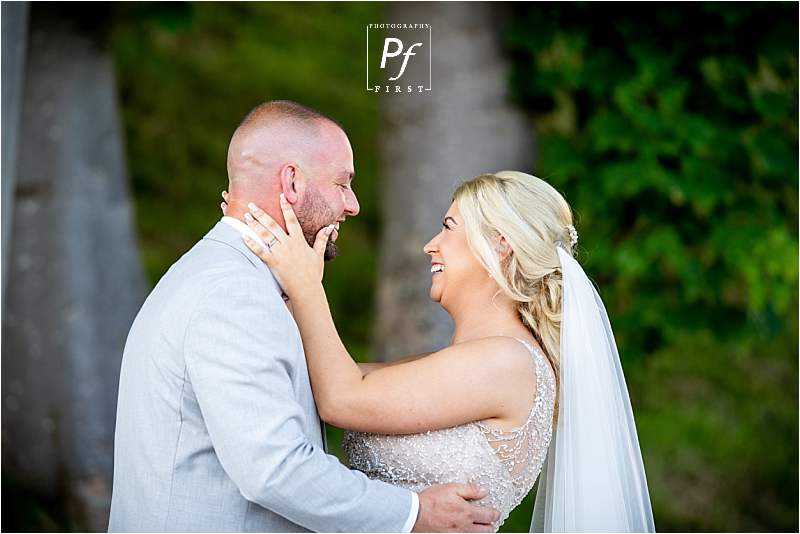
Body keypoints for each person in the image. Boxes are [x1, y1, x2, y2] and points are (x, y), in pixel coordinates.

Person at [108, 100, 499, 533]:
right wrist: (414, 514)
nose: (352, 205)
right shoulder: (235, 294)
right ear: (292, 182)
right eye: (342, 184)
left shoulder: (230, 277)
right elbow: (273, 469)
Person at [232, 170, 656, 532]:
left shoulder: (506, 363)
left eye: (449, 227)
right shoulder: (474, 360)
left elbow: (342, 397)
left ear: (501, 245)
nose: (430, 245)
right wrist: (284, 282)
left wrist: (307, 286)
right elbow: (329, 374)